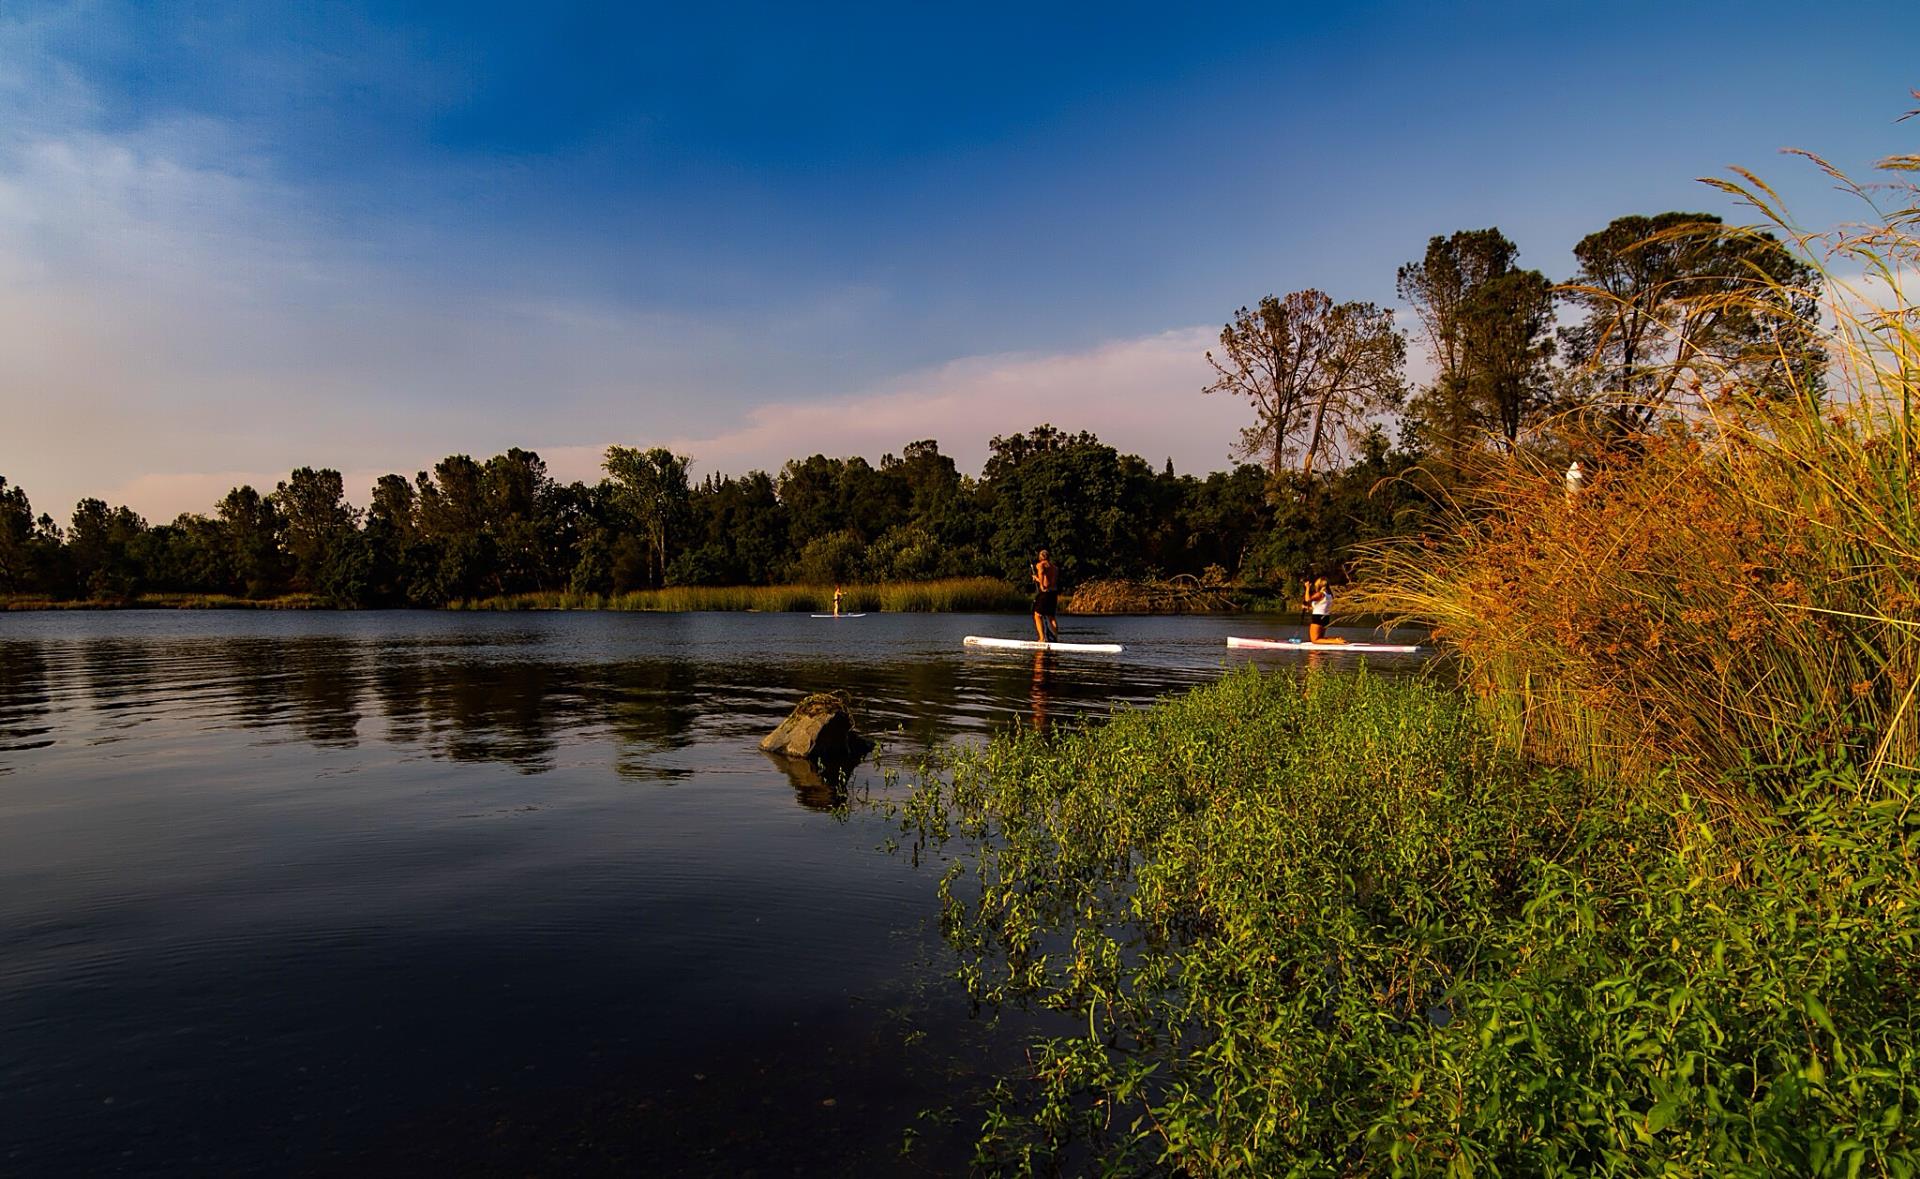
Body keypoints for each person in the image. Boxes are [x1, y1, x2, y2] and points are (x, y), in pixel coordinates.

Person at [1303, 576, 1345, 644]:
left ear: (1319, 585)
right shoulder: (1329, 595)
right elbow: (1320, 607)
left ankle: (1336, 641)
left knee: (1315, 640)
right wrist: (1308, 607)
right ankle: (1337, 640)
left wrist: (1307, 588)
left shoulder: (1320, 594)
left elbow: (1307, 600)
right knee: (1320, 639)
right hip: (1326, 618)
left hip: (1318, 618)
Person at [1031, 549, 1060, 643]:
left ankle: (1042, 638)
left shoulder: (1040, 565)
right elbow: (1053, 582)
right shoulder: (1055, 568)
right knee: (1051, 616)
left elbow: (1044, 584)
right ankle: (1055, 638)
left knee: (1037, 615)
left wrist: (1037, 579)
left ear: (1041, 557)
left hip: (1045, 593)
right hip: (1053, 593)